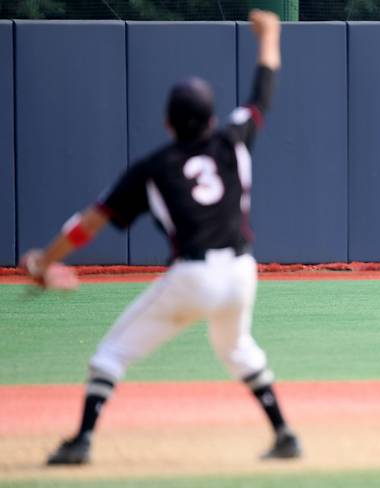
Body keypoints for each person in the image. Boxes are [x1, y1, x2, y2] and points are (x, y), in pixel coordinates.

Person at [20, 10, 302, 465]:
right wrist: (270, 35)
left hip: (193, 275)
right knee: (236, 349)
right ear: (211, 119)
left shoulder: (152, 168)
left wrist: (43, 262)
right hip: (242, 271)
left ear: (168, 124)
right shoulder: (233, 140)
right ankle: (285, 433)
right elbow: (262, 92)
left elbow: (87, 224)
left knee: (111, 353)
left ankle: (81, 442)